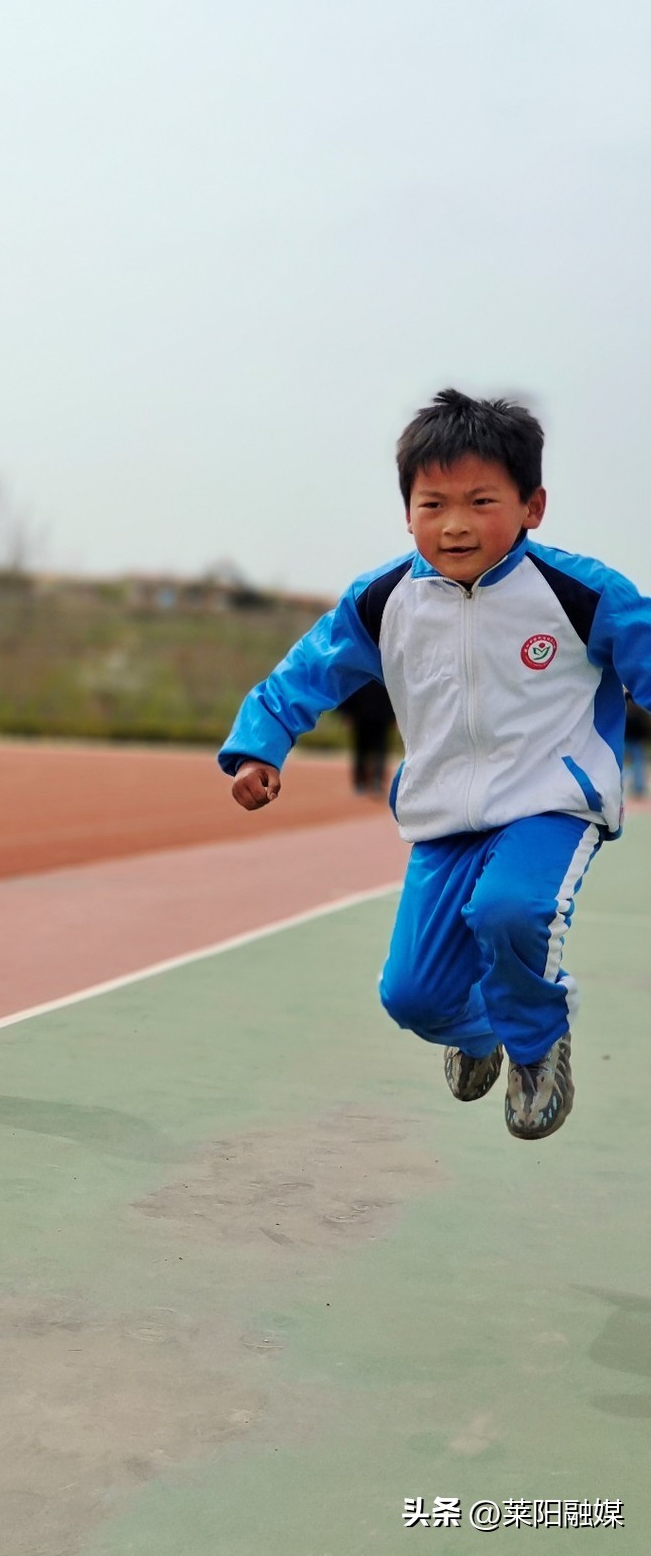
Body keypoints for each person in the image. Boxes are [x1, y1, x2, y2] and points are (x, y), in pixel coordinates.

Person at [219, 389, 651, 1141]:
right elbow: (305, 673)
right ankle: (479, 1030)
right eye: (433, 503)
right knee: (412, 997)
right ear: (407, 511)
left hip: (550, 801)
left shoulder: (581, 593)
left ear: (532, 506)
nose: (454, 524)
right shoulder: (383, 599)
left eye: (481, 500)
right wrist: (260, 742)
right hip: (443, 815)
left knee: (509, 909)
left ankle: (538, 1041)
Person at [338, 680, 396, 797]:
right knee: (362, 750)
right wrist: (347, 714)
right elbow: (349, 689)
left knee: (379, 750)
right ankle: (360, 782)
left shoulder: (384, 671)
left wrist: (394, 716)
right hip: (361, 715)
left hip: (380, 717)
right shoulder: (360, 668)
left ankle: (376, 781)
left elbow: (394, 693)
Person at [625, 692, 650, 800]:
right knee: (624, 765)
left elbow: (644, 730)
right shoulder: (624, 715)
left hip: (635, 743)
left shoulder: (639, 715)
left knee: (638, 764)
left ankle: (638, 788)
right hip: (626, 742)